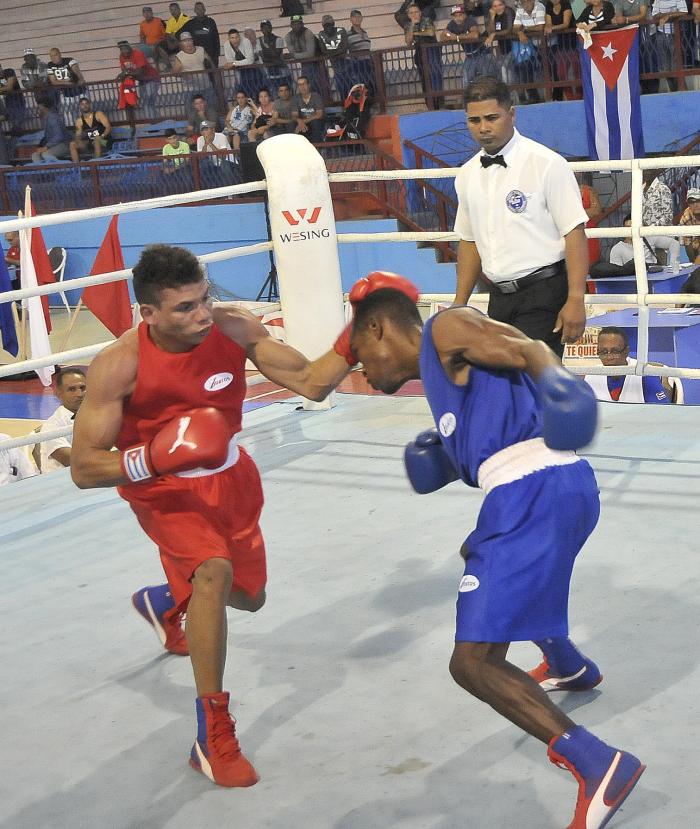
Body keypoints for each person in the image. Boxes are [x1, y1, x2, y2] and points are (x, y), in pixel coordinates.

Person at [340, 271, 645, 829]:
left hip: (535, 493)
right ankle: (567, 663)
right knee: (474, 551)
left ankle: (599, 764)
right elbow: (497, 424)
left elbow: (523, 346)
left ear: (379, 328)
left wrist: (557, 378)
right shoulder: (442, 382)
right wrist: (451, 458)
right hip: (554, 490)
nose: (358, 365)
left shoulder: (444, 328)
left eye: (358, 350)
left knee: (473, 663)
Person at [70, 244, 353, 787]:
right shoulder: (119, 364)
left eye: (204, 299)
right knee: (212, 571)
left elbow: (314, 383)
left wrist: (356, 332)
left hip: (231, 480)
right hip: (161, 489)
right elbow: (84, 468)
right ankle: (212, 731)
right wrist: (153, 457)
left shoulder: (235, 329)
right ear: (147, 313)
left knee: (249, 598)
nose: (201, 315)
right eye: (183, 309)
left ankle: (164, 600)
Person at [453, 77, 589, 359]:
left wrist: (576, 298)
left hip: (544, 292)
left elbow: (574, 232)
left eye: (492, 118)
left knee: (532, 382)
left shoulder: (547, 164)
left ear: (511, 114)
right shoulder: (466, 174)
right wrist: (459, 303)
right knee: (506, 384)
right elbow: (468, 241)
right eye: (474, 120)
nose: (483, 128)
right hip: (499, 297)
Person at [585, 326, 673, 403]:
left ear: (626, 351)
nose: (609, 357)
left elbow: (662, 414)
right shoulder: (590, 377)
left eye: (615, 351)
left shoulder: (646, 376)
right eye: (603, 352)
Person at [38, 367, 87, 473]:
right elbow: (72, 460)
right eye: (72, 389)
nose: (79, 394)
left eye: (83, 388)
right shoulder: (51, 426)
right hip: (62, 483)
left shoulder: (98, 417)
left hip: (91, 478)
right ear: (59, 394)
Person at [441, 5, 499, 87]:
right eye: (455, 16)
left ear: (465, 15)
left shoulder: (469, 21)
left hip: (483, 53)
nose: (458, 18)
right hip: (470, 56)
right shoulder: (452, 24)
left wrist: (457, 37)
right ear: (452, 17)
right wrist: (450, 35)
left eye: (460, 15)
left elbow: (475, 35)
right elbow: (442, 37)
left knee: (489, 81)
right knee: (467, 82)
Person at [404, 3, 443, 110]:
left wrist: (416, 33)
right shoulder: (408, 25)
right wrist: (413, 26)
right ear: (408, 15)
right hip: (420, 52)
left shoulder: (426, 20)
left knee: (435, 75)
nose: (414, 14)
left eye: (416, 12)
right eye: (411, 13)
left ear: (420, 13)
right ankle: (430, 104)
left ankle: (438, 102)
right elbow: (408, 41)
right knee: (424, 78)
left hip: (432, 50)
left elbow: (430, 32)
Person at [609, 214, 680, 266]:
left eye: (633, 227)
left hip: (654, 275)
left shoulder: (649, 238)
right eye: (628, 227)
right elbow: (617, 272)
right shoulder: (617, 249)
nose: (631, 230)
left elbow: (674, 243)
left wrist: (673, 262)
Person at [512, 0, 546, 103]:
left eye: (527, 1)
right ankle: (533, 96)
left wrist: (524, 29)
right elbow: (515, 28)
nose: (525, 3)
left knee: (547, 69)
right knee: (523, 66)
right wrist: (520, 33)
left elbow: (540, 27)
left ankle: (550, 95)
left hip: (545, 45)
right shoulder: (520, 9)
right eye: (523, 2)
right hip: (531, 46)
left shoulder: (539, 6)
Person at [70, 97, 112, 162]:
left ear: (90, 105)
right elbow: (78, 135)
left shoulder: (98, 114)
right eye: (82, 104)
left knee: (96, 140)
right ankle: (77, 167)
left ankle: (96, 164)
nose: (85, 106)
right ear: (80, 106)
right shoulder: (79, 121)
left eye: (86, 103)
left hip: (104, 142)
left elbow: (108, 127)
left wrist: (102, 136)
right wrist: (78, 140)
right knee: (72, 144)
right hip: (90, 142)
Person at [183, 2, 220, 67]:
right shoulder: (190, 23)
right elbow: (178, 34)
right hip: (197, 57)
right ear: (195, 10)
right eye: (198, 9)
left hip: (212, 55)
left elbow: (216, 38)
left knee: (214, 75)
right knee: (201, 76)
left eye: (201, 8)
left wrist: (217, 54)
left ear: (204, 10)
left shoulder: (211, 21)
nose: (200, 11)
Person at [292, 75, 325, 143]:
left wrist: (303, 121)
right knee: (294, 125)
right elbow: (294, 115)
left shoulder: (316, 96)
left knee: (315, 123)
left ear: (309, 85)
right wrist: (299, 121)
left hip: (316, 123)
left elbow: (319, 115)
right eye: (300, 85)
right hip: (303, 124)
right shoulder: (296, 98)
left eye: (304, 84)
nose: (302, 87)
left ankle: (318, 147)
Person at [678, 187, 700, 264]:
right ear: (688, 204)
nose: (695, 205)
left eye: (698, 201)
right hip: (694, 245)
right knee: (688, 246)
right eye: (692, 202)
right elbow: (685, 243)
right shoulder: (685, 216)